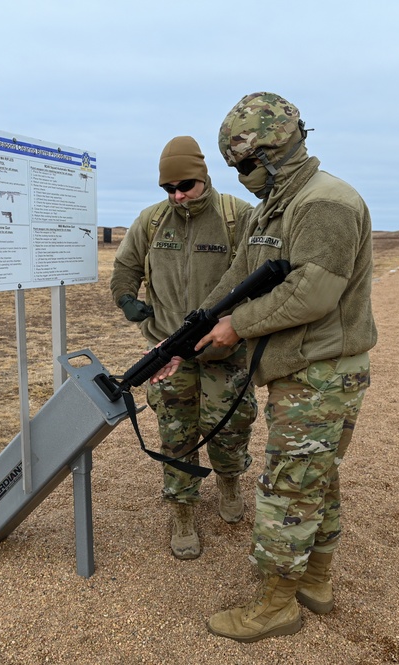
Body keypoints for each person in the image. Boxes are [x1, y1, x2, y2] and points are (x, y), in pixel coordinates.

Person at [155, 92, 377, 642]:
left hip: (322, 373)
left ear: (276, 152)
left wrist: (237, 325)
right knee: (315, 480)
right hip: (298, 371)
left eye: (247, 165)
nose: (243, 176)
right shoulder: (273, 206)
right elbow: (240, 270)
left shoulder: (326, 203)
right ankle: (316, 581)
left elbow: (313, 293)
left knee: (287, 487)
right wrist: (201, 322)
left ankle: (276, 603)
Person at [110, 136, 257, 561]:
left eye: (186, 186)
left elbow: (264, 272)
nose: (177, 196)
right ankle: (182, 511)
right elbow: (125, 267)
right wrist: (126, 300)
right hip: (167, 351)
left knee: (231, 427)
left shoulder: (237, 217)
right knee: (176, 434)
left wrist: (241, 323)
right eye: (168, 189)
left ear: (204, 177)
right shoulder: (153, 221)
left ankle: (229, 481)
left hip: (225, 351)